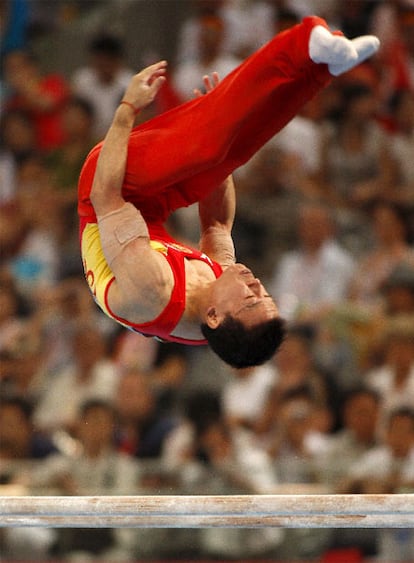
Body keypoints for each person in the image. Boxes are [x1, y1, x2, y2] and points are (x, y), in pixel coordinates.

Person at [78, 16, 379, 368]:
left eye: (251, 299)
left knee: (208, 148)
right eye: (264, 292)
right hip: (149, 211)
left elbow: (105, 197)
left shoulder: (151, 289)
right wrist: (217, 109)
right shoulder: (218, 299)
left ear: (215, 316)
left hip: (104, 189)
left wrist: (126, 111)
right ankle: (322, 68)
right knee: (230, 152)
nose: (254, 283)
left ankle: (304, 38)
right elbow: (217, 224)